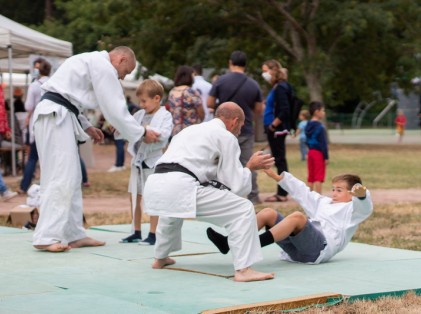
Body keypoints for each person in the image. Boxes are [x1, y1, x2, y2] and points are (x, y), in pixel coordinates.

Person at [32, 46, 148, 252]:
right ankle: (46, 236)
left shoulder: (91, 61)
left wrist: (87, 126)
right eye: (126, 72)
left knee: (72, 176)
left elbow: (70, 98)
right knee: (61, 176)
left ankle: (74, 234)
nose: (122, 77)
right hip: (54, 115)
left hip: (60, 114)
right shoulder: (102, 65)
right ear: (121, 60)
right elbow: (114, 107)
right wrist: (140, 133)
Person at [143, 102, 275, 282]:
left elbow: (206, 169)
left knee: (172, 212)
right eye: (241, 126)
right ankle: (244, 270)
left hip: (155, 184)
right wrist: (250, 167)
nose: (240, 130)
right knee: (243, 209)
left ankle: (160, 258)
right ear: (235, 121)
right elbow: (236, 185)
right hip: (181, 184)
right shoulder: (226, 137)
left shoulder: (189, 131)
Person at [207, 168, 373, 264]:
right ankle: (229, 242)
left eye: (339, 190)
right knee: (268, 213)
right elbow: (303, 193)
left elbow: (364, 207)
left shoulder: (352, 210)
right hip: (297, 250)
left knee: (298, 217)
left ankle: (243, 245)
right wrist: (281, 179)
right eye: (334, 189)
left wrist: (362, 195)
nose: (334, 193)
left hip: (318, 250)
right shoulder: (324, 202)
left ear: (351, 194)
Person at [120, 79, 173, 245]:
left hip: (153, 161)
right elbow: (129, 128)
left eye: (144, 101)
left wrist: (147, 132)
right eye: (140, 101)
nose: (141, 105)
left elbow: (163, 135)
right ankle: (135, 231)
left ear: (157, 98)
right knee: (134, 196)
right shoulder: (139, 115)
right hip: (138, 162)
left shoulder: (165, 115)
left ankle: (153, 233)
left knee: (153, 197)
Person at [208, 51, 263, 205]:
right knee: (248, 163)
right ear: (245, 64)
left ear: (230, 62)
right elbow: (259, 109)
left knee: (221, 163)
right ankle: (253, 196)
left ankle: (222, 194)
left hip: (223, 131)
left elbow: (209, 103)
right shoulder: (253, 84)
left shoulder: (220, 81)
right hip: (245, 129)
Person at [18, 58, 52, 194]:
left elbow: (28, 106)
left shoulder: (35, 85)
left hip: (37, 123)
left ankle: (24, 185)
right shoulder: (54, 83)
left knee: (32, 157)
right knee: (49, 157)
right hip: (51, 123)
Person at [261, 60, 293, 202]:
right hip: (274, 129)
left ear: (273, 70)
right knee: (280, 159)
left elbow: (284, 110)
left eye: (265, 70)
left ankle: (282, 192)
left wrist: (273, 125)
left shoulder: (280, 87)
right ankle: (283, 191)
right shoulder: (277, 87)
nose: (264, 74)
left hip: (277, 130)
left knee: (280, 160)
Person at [167, 65, 204, 137]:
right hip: (191, 131)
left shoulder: (172, 92)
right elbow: (201, 112)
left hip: (175, 131)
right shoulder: (191, 92)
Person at [305, 101, 328, 193]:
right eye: (322, 110)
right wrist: (326, 157)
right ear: (316, 112)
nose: (324, 113)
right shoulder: (320, 127)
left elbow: (306, 140)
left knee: (311, 177)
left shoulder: (307, 125)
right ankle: (319, 198)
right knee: (318, 177)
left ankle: (310, 198)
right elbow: (323, 144)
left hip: (310, 152)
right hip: (318, 153)